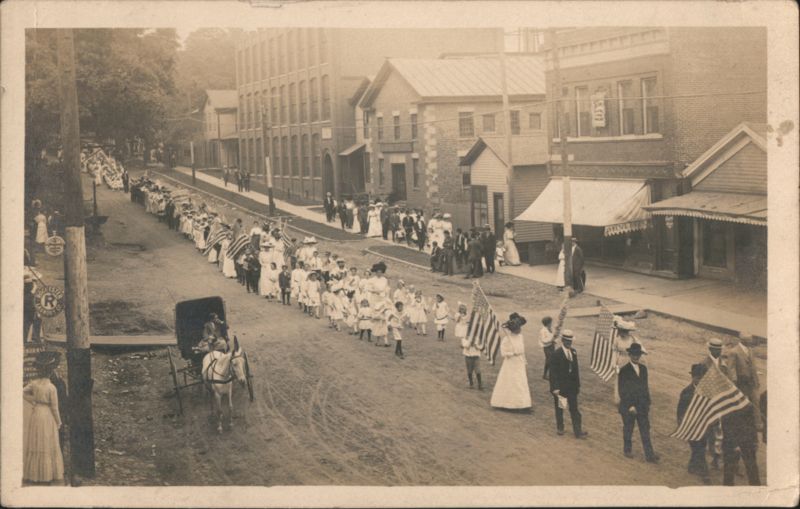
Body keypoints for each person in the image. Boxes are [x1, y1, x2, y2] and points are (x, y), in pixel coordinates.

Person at [23, 351, 65, 485]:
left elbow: (22, 392)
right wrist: (59, 422)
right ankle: (47, 475)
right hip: (47, 415)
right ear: (50, 372)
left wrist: (34, 400)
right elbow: (55, 407)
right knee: (47, 441)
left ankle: (34, 474)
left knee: (36, 441)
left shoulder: (34, 383)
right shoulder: (52, 387)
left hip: (37, 415)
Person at [618, 343, 659, 463]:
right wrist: (630, 406)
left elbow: (645, 388)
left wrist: (647, 403)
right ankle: (627, 449)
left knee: (645, 430)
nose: (636, 357)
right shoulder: (624, 371)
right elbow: (623, 390)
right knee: (628, 428)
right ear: (629, 355)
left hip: (642, 406)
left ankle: (649, 455)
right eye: (634, 354)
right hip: (629, 406)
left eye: (638, 354)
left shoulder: (644, 369)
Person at [549, 330, 588, 438]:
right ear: (562, 340)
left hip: (572, 387)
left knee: (574, 409)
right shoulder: (556, 354)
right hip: (561, 387)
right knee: (561, 407)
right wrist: (555, 387)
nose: (569, 343)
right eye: (567, 341)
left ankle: (578, 431)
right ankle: (560, 427)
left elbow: (576, 371)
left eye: (570, 341)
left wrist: (577, 386)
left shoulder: (574, 352)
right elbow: (553, 373)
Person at [490, 313, 532, 411]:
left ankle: (522, 404)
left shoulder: (520, 337)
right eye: (518, 328)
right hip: (510, 364)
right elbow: (504, 353)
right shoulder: (506, 339)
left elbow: (522, 350)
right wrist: (513, 353)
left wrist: (523, 359)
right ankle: (508, 404)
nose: (519, 330)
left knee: (521, 382)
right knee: (512, 382)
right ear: (513, 329)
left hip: (519, 363)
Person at [678, 363, 712, 484]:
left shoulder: (707, 392)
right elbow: (680, 411)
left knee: (700, 447)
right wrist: (682, 426)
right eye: (697, 377)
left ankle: (692, 466)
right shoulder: (686, 392)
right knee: (699, 449)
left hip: (703, 426)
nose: (699, 380)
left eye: (702, 378)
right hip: (690, 427)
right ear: (692, 377)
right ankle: (705, 473)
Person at [726, 334, 762, 430]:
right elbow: (731, 368)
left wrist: (756, 380)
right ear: (743, 340)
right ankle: (739, 424)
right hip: (741, 382)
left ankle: (757, 424)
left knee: (755, 401)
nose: (751, 342)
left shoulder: (750, 350)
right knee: (741, 403)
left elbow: (753, 367)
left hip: (751, 382)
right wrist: (734, 382)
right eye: (749, 340)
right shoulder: (734, 351)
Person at [721, 404, 762, 486]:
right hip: (731, 442)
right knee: (729, 470)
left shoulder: (747, 405)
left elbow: (752, 424)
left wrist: (755, 441)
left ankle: (756, 489)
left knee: (752, 468)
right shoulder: (726, 405)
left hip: (747, 441)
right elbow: (726, 427)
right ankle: (727, 491)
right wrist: (734, 445)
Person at [457, 304, 482, 389]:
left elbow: (481, 346)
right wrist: (469, 343)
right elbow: (464, 345)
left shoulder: (478, 338)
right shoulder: (465, 337)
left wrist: (476, 346)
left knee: (478, 370)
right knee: (469, 370)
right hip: (468, 355)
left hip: (476, 355)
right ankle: (471, 383)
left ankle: (480, 384)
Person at [539, 316, 555, 380]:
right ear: (548, 323)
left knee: (550, 360)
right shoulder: (543, 331)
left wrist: (553, 340)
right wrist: (551, 340)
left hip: (551, 346)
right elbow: (544, 340)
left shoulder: (550, 329)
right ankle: (546, 375)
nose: (551, 323)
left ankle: (548, 374)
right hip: (547, 347)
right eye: (550, 322)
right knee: (549, 360)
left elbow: (553, 336)